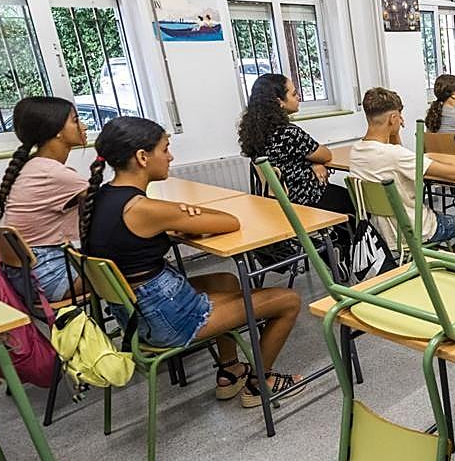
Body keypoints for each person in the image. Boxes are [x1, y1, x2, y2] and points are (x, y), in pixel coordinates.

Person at [82, 117, 303, 407]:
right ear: (142, 157)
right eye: (165, 149)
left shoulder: (98, 197)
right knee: (288, 300)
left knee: (225, 280)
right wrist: (178, 213)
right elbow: (229, 221)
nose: (170, 157)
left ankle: (230, 371)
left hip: (135, 311)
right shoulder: (144, 208)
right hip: (165, 317)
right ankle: (260, 383)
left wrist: (172, 220)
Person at [349, 88, 455, 253]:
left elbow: (397, 156)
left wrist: (394, 134)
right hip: (418, 228)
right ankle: (446, 258)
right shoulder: (396, 156)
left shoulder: (355, 152)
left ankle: (434, 256)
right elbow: (454, 173)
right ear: (393, 118)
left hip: (380, 233)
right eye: (400, 116)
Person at [237, 72, 354, 260]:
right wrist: (315, 161)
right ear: (279, 102)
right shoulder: (288, 133)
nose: (298, 97)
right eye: (293, 93)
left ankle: (332, 248)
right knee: (355, 202)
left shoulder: (255, 134)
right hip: (306, 198)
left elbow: (293, 160)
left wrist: (312, 162)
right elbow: (325, 154)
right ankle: (342, 253)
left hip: (279, 202)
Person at [0, 97, 88, 301]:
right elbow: (110, 208)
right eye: (75, 120)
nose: (83, 126)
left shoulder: (33, 166)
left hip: (26, 276)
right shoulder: (53, 173)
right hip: (48, 275)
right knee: (131, 266)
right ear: (57, 131)